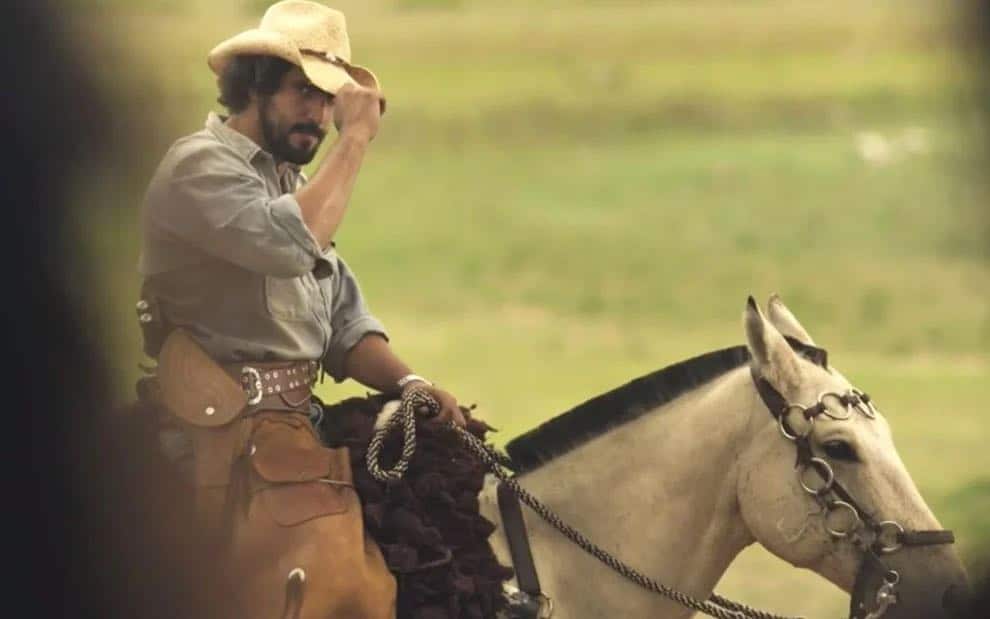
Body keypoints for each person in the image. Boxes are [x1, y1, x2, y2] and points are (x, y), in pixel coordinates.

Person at [135, 1, 467, 616]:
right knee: (332, 583)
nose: (319, 115)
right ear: (255, 84)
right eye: (303, 92)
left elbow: (345, 325)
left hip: (291, 430)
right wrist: (357, 139)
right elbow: (289, 246)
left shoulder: (290, 186)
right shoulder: (197, 168)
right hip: (215, 435)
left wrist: (413, 383)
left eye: (328, 100)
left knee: (443, 535)